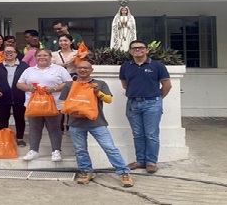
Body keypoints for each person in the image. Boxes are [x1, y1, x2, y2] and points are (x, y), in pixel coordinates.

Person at [61, 61, 133, 187]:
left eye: (86, 68)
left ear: (91, 70)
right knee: (80, 150)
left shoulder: (100, 84)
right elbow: (63, 104)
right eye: (80, 67)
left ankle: (123, 172)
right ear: (76, 70)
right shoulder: (70, 85)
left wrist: (97, 92)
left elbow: (109, 100)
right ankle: (86, 171)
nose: (83, 70)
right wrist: (70, 113)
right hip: (75, 123)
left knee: (110, 148)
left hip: (97, 122)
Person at [120, 40, 172, 174]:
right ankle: (140, 160)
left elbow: (167, 85)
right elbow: (125, 84)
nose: (137, 50)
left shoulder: (157, 66)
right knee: (137, 134)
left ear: (147, 50)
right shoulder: (126, 66)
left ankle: (151, 162)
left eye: (140, 48)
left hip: (152, 104)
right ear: (130, 51)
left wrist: (158, 98)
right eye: (134, 48)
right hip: (132, 104)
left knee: (151, 134)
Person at [17, 49, 72, 162]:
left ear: (50, 57)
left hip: (54, 104)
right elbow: (19, 84)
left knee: (54, 128)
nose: (42, 57)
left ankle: (56, 151)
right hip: (33, 105)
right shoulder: (29, 70)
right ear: (35, 57)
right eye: (39, 55)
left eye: (45, 55)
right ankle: (33, 150)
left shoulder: (59, 69)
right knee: (34, 128)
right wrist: (29, 88)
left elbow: (69, 83)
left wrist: (54, 88)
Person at [0, 45, 30, 147]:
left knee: (19, 118)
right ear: (3, 54)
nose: (9, 54)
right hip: (2, 96)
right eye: (6, 52)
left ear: (16, 53)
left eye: (11, 51)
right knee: (3, 118)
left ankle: (20, 138)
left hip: (20, 96)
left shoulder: (24, 66)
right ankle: (3, 139)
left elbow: (30, 80)